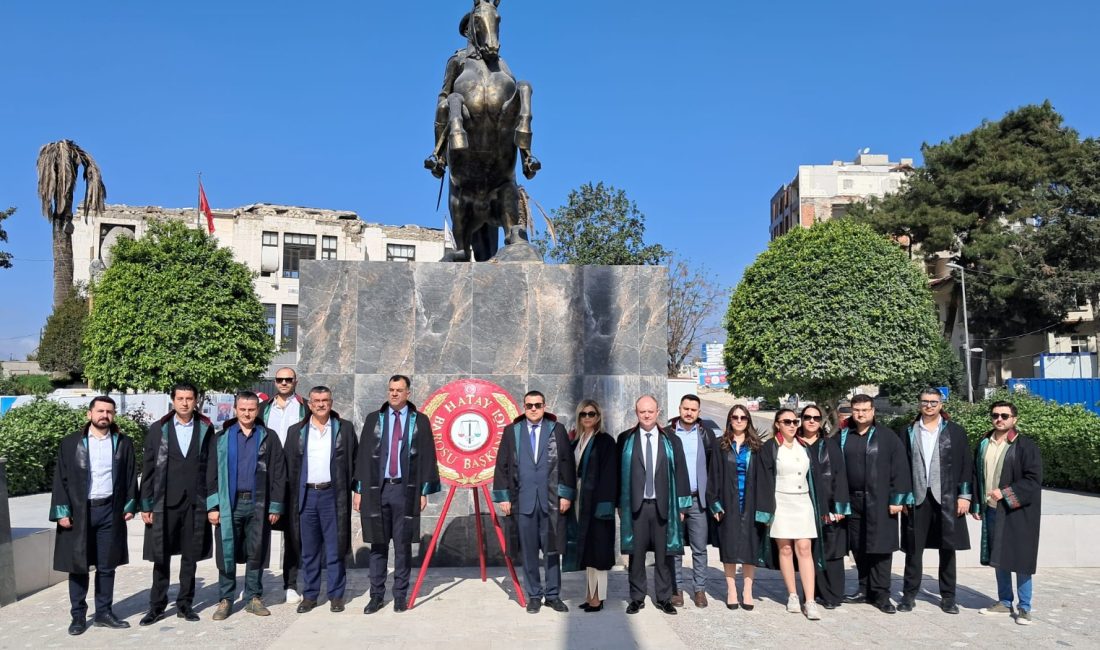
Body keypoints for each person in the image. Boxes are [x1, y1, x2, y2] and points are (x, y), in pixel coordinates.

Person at [50, 396, 139, 636]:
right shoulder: (71, 443)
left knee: (107, 565)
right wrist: (62, 511)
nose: (104, 415)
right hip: (80, 512)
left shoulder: (122, 443)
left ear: (113, 415)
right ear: (89, 414)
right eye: (100, 411)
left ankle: (104, 613)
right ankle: (78, 616)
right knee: (78, 565)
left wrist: (130, 505)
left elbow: (131, 476)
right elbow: (61, 479)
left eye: (109, 412)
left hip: (110, 511)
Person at [355, 375, 441, 614]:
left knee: (403, 546)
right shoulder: (375, 419)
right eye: (391, 389)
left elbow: (427, 456)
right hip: (377, 490)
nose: (394, 394)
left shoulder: (419, 421)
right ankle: (376, 596)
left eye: (399, 390)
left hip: (406, 490)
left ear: (408, 393)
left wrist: (424, 491)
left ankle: (400, 595)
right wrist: (359, 490)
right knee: (378, 545)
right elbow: (363, 456)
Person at [492, 390, 576, 613]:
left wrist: (566, 494)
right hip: (523, 501)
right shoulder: (513, 432)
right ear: (524, 407)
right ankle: (534, 595)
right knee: (529, 552)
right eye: (529, 405)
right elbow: (502, 465)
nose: (533, 409)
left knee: (551, 550)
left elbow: (567, 463)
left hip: (551, 502)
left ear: (544, 406)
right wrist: (503, 497)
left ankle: (553, 595)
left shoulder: (556, 430)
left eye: (538, 405)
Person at [758, 408, 845, 621]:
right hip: (781, 502)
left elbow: (816, 479)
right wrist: (765, 510)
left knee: (805, 548)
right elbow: (764, 479)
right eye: (786, 421)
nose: (791, 425)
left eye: (794, 421)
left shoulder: (805, 446)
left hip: (803, 501)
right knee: (786, 549)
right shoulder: (770, 447)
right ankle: (793, 595)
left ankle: (810, 600)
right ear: (777, 424)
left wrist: (825, 508)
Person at [206, 391, 287, 620]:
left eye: (251, 409)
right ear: (235, 410)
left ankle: (253, 597)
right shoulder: (221, 438)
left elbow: (279, 474)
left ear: (257, 410)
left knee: (256, 551)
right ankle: (226, 599)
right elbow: (210, 473)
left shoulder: (268, 437)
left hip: (258, 504)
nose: (247, 413)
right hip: (228, 504)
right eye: (242, 409)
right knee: (226, 552)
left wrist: (275, 506)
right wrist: (213, 506)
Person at [139, 383, 214, 626]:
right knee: (161, 557)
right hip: (165, 503)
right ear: (173, 400)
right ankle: (157, 607)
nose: (184, 403)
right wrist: (146, 504)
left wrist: (212, 503)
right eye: (180, 398)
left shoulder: (206, 428)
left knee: (190, 558)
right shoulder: (158, 429)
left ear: (196, 401)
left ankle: (185, 605)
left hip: (194, 503)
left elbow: (212, 468)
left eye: (189, 398)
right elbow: (149, 468)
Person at [283, 386, 357, 614]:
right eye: (316, 401)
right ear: (309, 404)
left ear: (331, 402)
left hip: (332, 496)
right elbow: (288, 467)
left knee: (335, 549)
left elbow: (354, 463)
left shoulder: (344, 429)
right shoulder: (297, 431)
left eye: (325, 400)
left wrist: (358, 492)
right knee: (310, 550)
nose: (321, 404)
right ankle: (311, 595)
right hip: (306, 496)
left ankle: (336, 595)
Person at [899, 388, 973, 614]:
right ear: (919, 404)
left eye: (933, 402)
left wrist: (965, 496)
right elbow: (900, 467)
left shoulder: (955, 432)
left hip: (947, 497)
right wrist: (901, 497)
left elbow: (965, 465)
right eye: (925, 402)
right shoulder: (908, 432)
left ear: (941, 404)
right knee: (914, 549)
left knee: (947, 549)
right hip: (917, 497)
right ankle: (909, 595)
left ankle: (948, 597)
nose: (929, 406)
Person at [618, 395, 691, 616]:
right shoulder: (625, 439)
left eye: (650, 411)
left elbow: (681, 473)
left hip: (664, 505)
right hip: (636, 507)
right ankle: (637, 598)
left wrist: (681, 506)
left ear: (658, 412)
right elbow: (617, 475)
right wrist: (618, 505)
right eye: (642, 412)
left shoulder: (671, 440)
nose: (647, 415)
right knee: (636, 555)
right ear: (636, 412)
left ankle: (664, 598)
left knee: (664, 555)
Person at [840, 394, 912, 614]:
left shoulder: (887, 437)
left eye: (865, 410)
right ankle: (864, 589)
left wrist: (898, 500)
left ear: (873, 411)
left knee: (880, 548)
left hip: (880, 501)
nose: (860, 414)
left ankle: (881, 594)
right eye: (857, 410)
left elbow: (900, 469)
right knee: (858, 546)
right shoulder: (843, 436)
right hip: (853, 501)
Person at [974, 400, 1042, 625]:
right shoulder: (984, 443)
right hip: (993, 510)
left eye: (1004, 416)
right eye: (995, 415)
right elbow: (977, 477)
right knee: (999, 558)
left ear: (1014, 419)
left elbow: (1033, 480)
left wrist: (1005, 493)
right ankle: (1004, 602)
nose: (999, 419)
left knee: (1021, 559)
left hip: (1018, 511)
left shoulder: (1025, 446)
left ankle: (1024, 607)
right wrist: (977, 504)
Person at [706, 404, 764, 611]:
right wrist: (714, 503)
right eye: (735, 417)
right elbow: (712, 477)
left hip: (750, 503)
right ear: (729, 420)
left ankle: (747, 590)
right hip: (728, 504)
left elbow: (765, 479)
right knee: (729, 547)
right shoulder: (721, 445)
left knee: (750, 548)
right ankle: (731, 589)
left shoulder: (757, 447)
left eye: (743, 417)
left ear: (748, 420)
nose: (739, 420)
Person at [562, 399, 617, 612]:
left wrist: (605, 506)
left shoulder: (605, 441)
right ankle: (589, 594)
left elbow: (609, 475)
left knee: (599, 551)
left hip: (597, 505)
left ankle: (598, 597)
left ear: (598, 416)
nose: (587, 417)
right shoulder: (577, 441)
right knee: (587, 550)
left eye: (591, 414)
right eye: (583, 414)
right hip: (579, 503)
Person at [796, 404, 850, 610]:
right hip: (802, 506)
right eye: (807, 417)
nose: (811, 421)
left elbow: (840, 476)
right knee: (809, 550)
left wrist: (840, 508)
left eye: (816, 418)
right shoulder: (795, 445)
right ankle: (812, 592)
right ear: (802, 419)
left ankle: (833, 595)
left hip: (829, 508)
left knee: (832, 550)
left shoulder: (830, 445)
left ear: (821, 421)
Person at [261, 367, 308, 603]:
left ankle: (290, 584)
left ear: (295, 382)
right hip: (265, 478)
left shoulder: (305, 408)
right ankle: (254, 584)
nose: (284, 383)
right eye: (280, 379)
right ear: (275, 382)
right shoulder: (263, 409)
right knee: (259, 533)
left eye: (288, 379)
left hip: (293, 478)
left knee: (292, 534)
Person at [667, 394, 716, 608]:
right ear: (679, 408)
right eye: (685, 408)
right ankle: (676, 589)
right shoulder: (667, 434)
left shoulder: (706, 435)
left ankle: (699, 590)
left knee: (699, 548)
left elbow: (714, 468)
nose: (689, 412)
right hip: (675, 500)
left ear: (698, 412)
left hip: (699, 500)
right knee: (676, 548)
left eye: (693, 409)